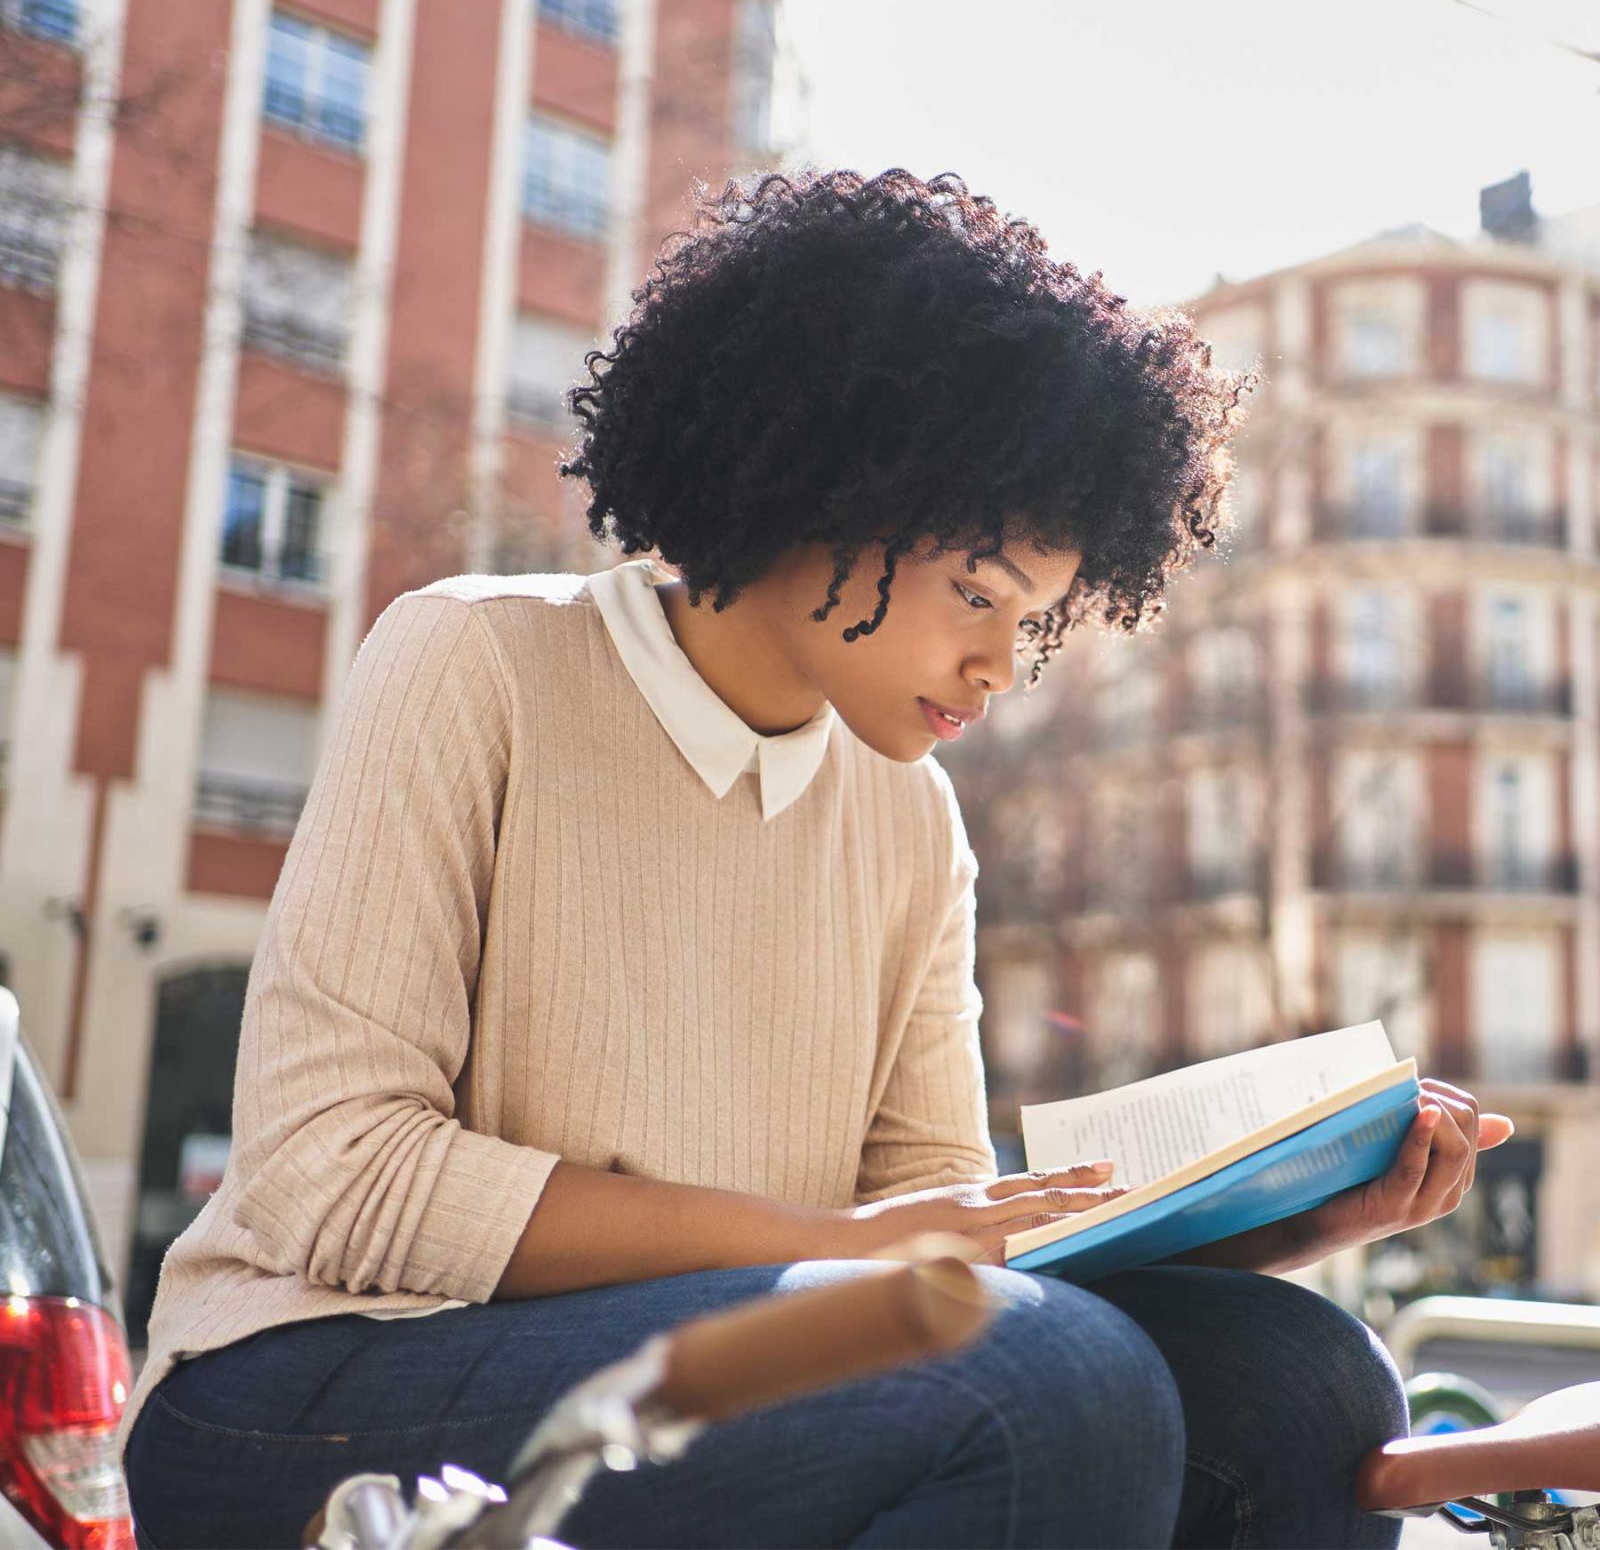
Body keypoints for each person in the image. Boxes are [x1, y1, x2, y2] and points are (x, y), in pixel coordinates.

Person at [120, 168, 1510, 1549]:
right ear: (824, 483)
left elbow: (960, 1242)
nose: (1002, 665)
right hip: (307, 1390)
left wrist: (1296, 1224)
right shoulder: (476, 660)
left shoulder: (910, 822)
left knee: (1305, 1387)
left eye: (1035, 625)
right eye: (978, 594)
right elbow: (339, 1180)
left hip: (704, 1381)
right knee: (1042, 1383)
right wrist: (844, 1247)